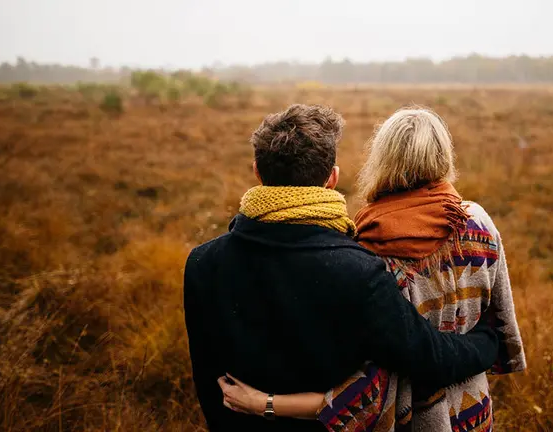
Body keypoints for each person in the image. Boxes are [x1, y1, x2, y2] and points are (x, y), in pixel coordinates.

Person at [183, 104, 506, 432]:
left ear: (256, 171)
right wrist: (487, 343)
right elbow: (428, 356)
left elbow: (208, 382)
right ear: (332, 178)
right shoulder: (358, 270)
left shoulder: (201, 263)